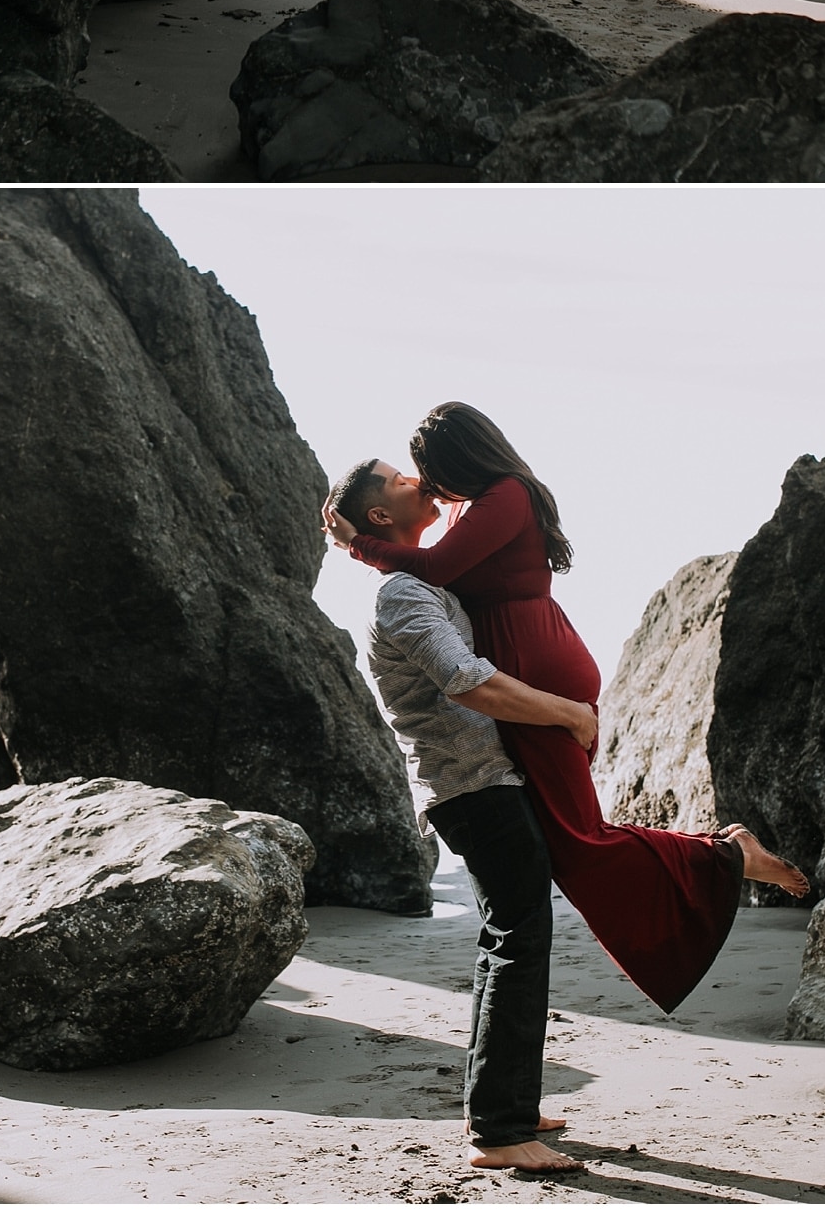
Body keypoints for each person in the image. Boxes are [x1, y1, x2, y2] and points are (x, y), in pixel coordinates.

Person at [323, 405, 808, 1021]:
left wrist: (355, 544)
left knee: (580, 841)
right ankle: (723, 854)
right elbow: (434, 577)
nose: (420, 479)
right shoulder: (470, 510)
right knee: (571, 840)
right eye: (406, 475)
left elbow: (439, 573)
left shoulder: (507, 494)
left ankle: (728, 856)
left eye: (422, 467)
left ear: (457, 455)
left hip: (539, 674)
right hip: (527, 677)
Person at [326, 457, 592, 1175]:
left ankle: (505, 1104)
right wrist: (567, 713)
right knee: (518, 937)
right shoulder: (404, 596)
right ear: (381, 514)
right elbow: (464, 679)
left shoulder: (424, 579)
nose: (418, 478)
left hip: (478, 786)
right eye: (399, 478)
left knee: (504, 937)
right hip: (472, 790)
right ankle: (501, 1131)